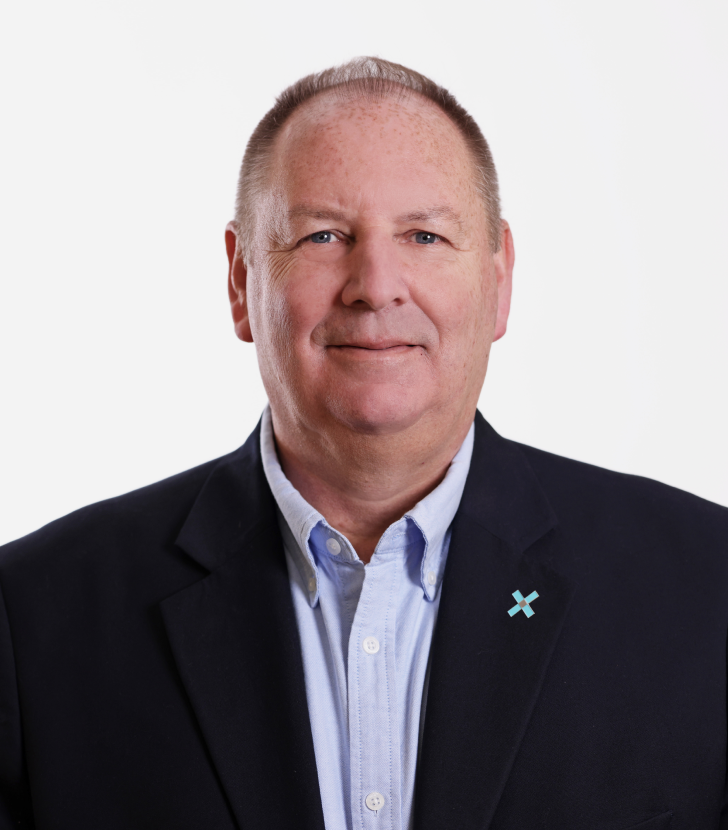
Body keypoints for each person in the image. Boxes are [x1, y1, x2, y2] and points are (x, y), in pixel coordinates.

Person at [0, 56, 726, 830]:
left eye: (424, 234)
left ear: (499, 280)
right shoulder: (36, 616)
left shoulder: (706, 592)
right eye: (322, 235)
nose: (375, 284)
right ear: (242, 281)